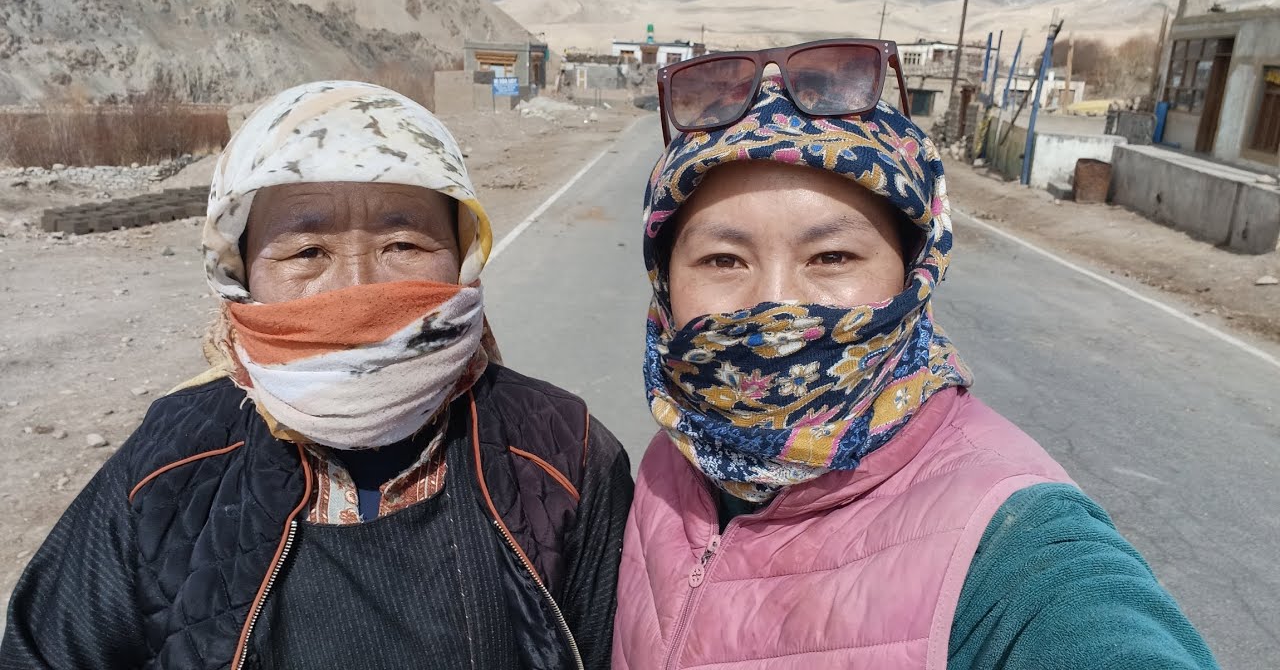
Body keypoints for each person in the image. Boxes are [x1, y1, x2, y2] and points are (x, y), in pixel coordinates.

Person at [614, 52, 1218, 669]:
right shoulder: (673, 462)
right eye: (722, 260)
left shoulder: (1009, 542)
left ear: (914, 272)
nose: (775, 304)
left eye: (832, 257)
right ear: (665, 282)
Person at [1, 81, 632, 670]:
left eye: (403, 245)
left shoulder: (564, 450)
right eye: (307, 252)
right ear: (240, 275)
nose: (358, 289)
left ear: (463, 258)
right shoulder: (169, 463)